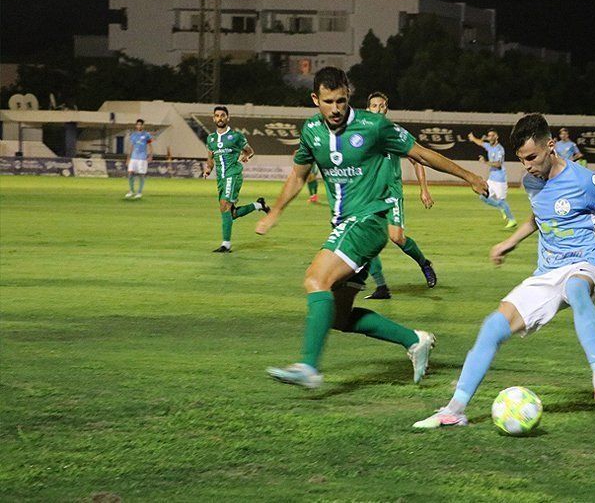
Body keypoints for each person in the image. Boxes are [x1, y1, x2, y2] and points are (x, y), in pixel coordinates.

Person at [413, 113, 595, 429]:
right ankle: (455, 409)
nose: (527, 166)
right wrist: (510, 241)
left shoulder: (585, 182)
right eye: (521, 160)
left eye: (532, 157)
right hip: (547, 270)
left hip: (585, 261)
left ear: (551, 146)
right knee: (492, 327)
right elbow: (539, 217)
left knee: (575, 289)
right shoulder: (533, 181)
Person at [256, 67, 488, 389]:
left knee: (315, 279)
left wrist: (470, 177)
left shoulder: (375, 126)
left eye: (341, 100)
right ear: (315, 99)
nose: (335, 109)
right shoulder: (311, 131)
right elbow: (298, 175)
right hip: (345, 224)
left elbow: (420, 153)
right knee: (338, 317)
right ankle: (414, 340)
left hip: (368, 221)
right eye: (328, 101)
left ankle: (309, 367)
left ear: (348, 96)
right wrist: (275, 212)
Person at [364, 91, 438, 300]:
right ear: (368, 109)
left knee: (397, 237)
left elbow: (417, 160)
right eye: (373, 106)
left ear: (386, 108)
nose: (378, 109)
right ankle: (380, 286)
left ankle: (424, 264)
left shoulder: (395, 133)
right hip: (368, 195)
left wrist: (423, 189)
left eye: (381, 105)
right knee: (366, 239)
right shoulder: (360, 134)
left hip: (391, 194)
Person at [201, 106, 270, 253]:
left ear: (228, 118)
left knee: (225, 205)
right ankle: (258, 205)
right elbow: (210, 159)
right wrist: (208, 169)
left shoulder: (236, 136)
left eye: (222, 115)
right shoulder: (211, 138)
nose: (220, 118)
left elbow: (250, 151)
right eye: (217, 116)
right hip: (221, 178)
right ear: (214, 118)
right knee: (230, 213)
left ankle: (226, 244)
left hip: (233, 174)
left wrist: (246, 156)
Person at [468, 129, 517, 229]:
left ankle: (512, 220)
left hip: (500, 180)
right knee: (482, 196)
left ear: (496, 137)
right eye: (489, 136)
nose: (490, 137)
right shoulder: (489, 147)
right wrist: (473, 139)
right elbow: (481, 143)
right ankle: (501, 208)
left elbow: (498, 164)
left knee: (502, 201)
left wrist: (485, 162)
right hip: (491, 179)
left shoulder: (499, 149)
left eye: (492, 135)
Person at [125, 119, 153, 199]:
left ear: (143, 126)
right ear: (136, 125)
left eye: (140, 125)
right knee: (130, 173)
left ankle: (139, 192)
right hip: (133, 157)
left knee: (141, 174)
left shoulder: (147, 135)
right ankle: (131, 190)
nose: (139, 126)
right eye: (138, 125)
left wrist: (150, 155)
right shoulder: (133, 135)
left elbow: (150, 145)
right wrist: (128, 158)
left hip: (142, 158)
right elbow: (131, 146)